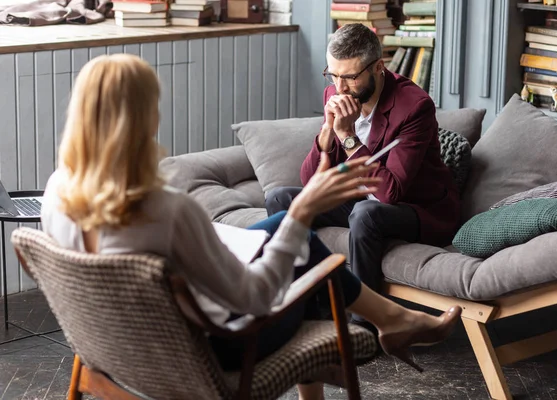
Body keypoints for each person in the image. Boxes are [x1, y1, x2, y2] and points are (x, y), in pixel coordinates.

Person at [40, 54, 461, 400]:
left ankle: (391, 319)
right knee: (313, 262)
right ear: (145, 119)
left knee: (283, 228)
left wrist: (290, 222)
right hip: (214, 353)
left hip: (119, 346)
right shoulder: (169, 211)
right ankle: (391, 322)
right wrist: (300, 217)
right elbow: (256, 298)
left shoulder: (57, 192)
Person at [266, 24, 461, 315]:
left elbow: (389, 193)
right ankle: (303, 303)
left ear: (378, 67)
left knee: (366, 213)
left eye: (350, 77)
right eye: (332, 75)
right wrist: (326, 136)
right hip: (359, 202)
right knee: (280, 198)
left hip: (417, 209)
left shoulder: (415, 106)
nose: (339, 87)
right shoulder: (335, 93)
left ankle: (365, 323)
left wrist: (347, 138)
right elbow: (310, 182)